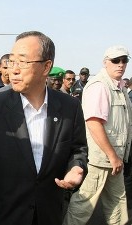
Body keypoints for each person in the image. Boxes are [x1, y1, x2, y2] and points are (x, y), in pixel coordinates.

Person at [0, 31, 88, 225]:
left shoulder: (69, 107)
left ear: (46, 67)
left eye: (22, 62)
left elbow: (78, 150)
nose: (13, 70)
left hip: (49, 213)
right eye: (11, 62)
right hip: (5, 214)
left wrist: (76, 167)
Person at [64, 46, 132, 225]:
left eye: (124, 60)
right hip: (100, 158)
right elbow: (94, 124)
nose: (121, 64)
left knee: (117, 202)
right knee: (84, 203)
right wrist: (112, 156)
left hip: (114, 158)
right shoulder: (100, 86)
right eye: (116, 60)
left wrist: (117, 157)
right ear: (105, 62)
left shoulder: (119, 86)